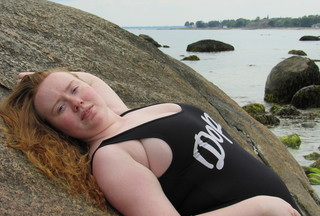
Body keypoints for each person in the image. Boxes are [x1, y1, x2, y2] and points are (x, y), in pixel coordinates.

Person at [0, 69, 302, 216]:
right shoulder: (111, 158)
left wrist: (40, 80)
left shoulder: (123, 115)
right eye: (61, 108)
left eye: (74, 89)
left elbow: (89, 80)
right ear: (57, 130)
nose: (77, 102)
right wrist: (261, 207)